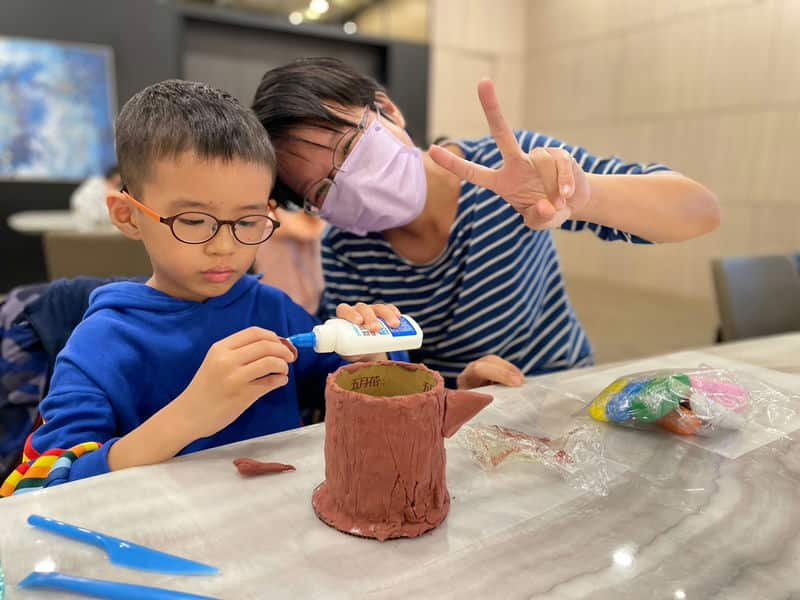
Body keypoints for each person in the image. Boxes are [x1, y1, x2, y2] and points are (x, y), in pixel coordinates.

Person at [0, 80, 400, 498]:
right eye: (192, 221)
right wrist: (188, 417)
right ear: (128, 215)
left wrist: (371, 357)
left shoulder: (272, 308)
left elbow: (346, 393)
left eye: (247, 222)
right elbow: (40, 488)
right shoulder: (100, 344)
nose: (224, 247)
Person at [251, 57, 720, 390]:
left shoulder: (510, 168)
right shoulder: (344, 247)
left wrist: (584, 196)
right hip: (460, 423)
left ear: (387, 111)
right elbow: (390, 368)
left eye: (349, 149)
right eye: (324, 190)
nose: (351, 183)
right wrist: (455, 388)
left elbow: (699, 210)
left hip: (563, 391)